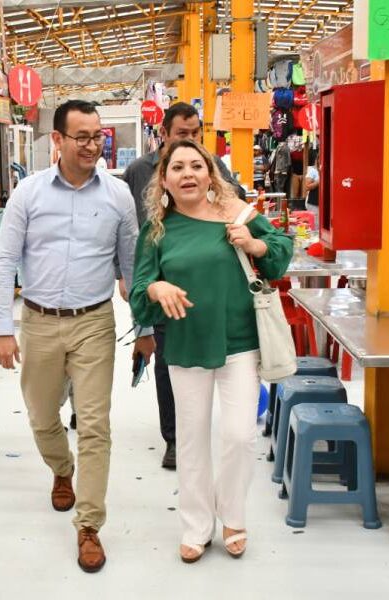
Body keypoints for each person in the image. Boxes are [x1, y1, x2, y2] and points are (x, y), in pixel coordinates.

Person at [0, 99, 155, 573]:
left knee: (96, 425)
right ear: (58, 140)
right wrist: (3, 328)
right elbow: (5, 260)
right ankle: (61, 469)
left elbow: (133, 267)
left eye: (97, 136)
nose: (91, 145)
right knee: (42, 417)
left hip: (94, 322)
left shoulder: (118, 195)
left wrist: (144, 327)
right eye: (81, 136)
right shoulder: (28, 193)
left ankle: (89, 526)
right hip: (39, 321)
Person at [130, 140, 292, 563]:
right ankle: (196, 525)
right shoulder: (157, 231)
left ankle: (233, 517)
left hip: (240, 342)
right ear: (164, 181)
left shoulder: (238, 214)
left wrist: (256, 246)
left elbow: (281, 252)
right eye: (177, 167)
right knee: (191, 440)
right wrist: (156, 287)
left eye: (196, 166)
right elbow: (139, 290)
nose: (188, 173)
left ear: (210, 175)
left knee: (239, 436)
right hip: (186, 344)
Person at [121, 101, 206, 471]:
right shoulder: (139, 171)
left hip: (203, 281)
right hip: (157, 281)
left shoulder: (209, 166)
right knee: (166, 359)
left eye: (195, 133)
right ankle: (173, 438)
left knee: (202, 362)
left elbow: (234, 202)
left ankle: (196, 432)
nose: (190, 140)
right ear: (164, 134)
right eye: (182, 133)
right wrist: (125, 274)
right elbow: (124, 228)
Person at [304, 149, 320, 227]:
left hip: (323, 203)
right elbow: (307, 187)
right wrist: (318, 182)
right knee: (315, 226)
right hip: (314, 203)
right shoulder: (313, 171)